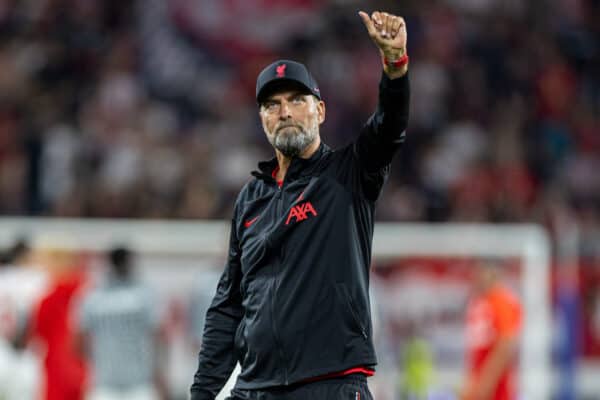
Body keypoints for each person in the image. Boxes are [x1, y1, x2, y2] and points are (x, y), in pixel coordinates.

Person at [190, 9, 410, 400]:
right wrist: (202, 393)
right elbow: (228, 307)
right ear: (262, 119)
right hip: (255, 387)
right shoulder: (249, 200)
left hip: (330, 383)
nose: (285, 111)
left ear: (320, 111)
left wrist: (395, 66)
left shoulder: (348, 174)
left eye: (296, 99)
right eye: (272, 105)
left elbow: (388, 127)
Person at [76, 246, 165, 400]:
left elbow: (78, 341)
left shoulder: (92, 295)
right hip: (129, 382)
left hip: (116, 383)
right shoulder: (144, 294)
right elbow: (158, 338)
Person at [461, 262, 522, 400]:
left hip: (495, 388)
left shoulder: (500, 301)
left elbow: (506, 342)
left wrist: (485, 383)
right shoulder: (481, 301)